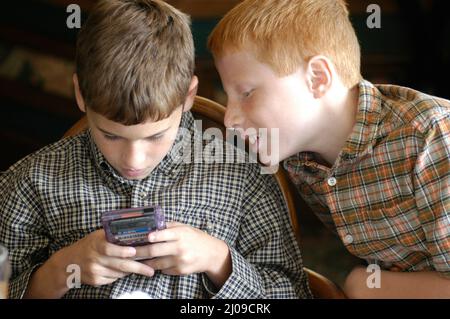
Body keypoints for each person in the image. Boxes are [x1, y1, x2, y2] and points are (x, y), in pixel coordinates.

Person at [0, 0, 312, 299]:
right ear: (81, 93)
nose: (133, 160)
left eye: (155, 136)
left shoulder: (243, 179)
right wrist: (61, 269)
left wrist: (219, 260)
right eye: (111, 135)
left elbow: (293, 293)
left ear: (188, 96)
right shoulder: (32, 183)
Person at [208, 0, 450, 298]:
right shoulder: (300, 158)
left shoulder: (429, 135)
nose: (229, 118)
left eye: (246, 93)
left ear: (317, 78)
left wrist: (363, 287)